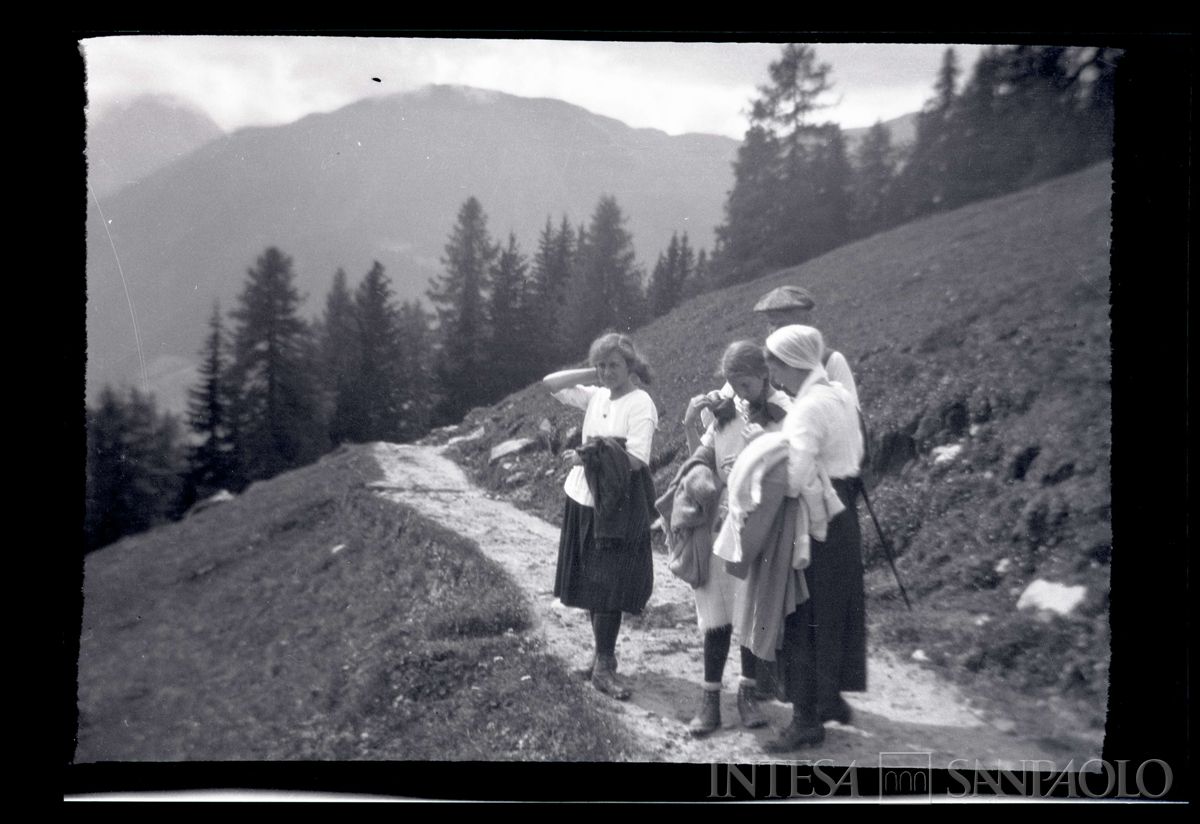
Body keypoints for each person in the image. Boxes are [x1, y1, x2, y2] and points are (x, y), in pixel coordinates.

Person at [674, 341, 792, 736]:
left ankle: (748, 694)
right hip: (716, 526)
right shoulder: (727, 413)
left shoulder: (785, 414)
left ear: (764, 375)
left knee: (749, 610)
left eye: (744, 384)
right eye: (731, 384)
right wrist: (694, 440)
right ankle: (710, 701)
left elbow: (792, 471)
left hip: (758, 527)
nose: (737, 393)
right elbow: (700, 460)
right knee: (715, 615)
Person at [760, 324, 867, 752]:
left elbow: (795, 478)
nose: (770, 370)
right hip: (843, 512)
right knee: (835, 610)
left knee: (801, 616)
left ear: (792, 362)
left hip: (813, 519)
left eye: (773, 361)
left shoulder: (806, 410)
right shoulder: (839, 396)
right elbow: (853, 453)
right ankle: (829, 699)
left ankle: (805, 720)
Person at [542, 333, 659, 700]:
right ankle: (599, 661)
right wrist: (593, 372)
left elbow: (637, 459)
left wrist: (587, 455)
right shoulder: (596, 395)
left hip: (617, 503)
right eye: (602, 365)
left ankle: (605, 665)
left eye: (615, 365)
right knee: (593, 582)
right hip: (583, 497)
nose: (607, 372)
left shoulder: (641, 404)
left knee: (609, 583)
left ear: (631, 367)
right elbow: (550, 384)